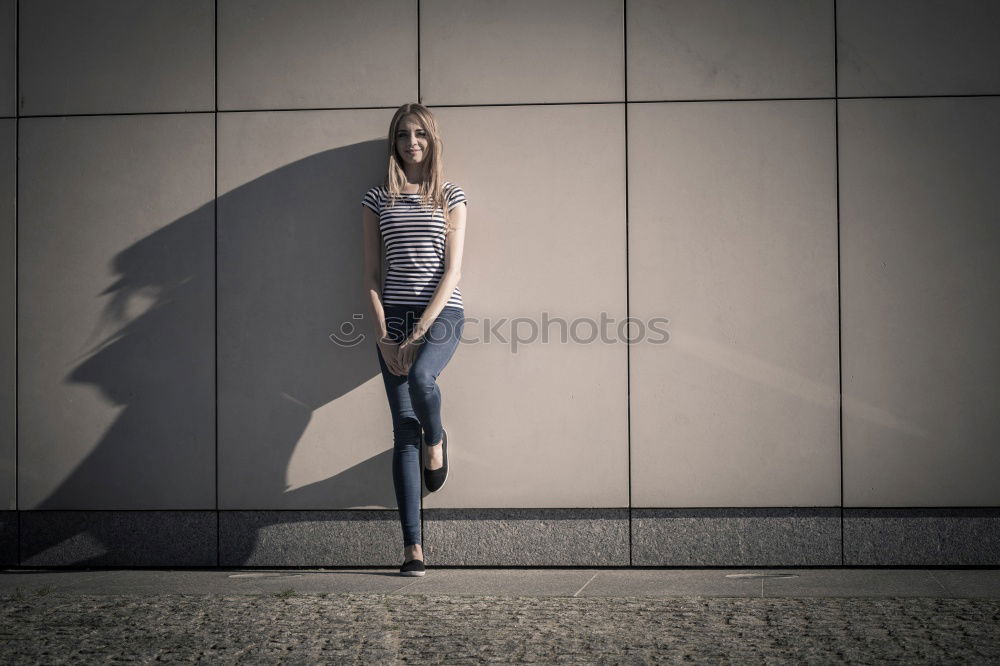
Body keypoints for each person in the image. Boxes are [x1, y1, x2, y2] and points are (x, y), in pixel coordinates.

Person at [361, 102, 468, 577]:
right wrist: (386, 336)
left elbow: (453, 271)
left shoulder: (450, 195)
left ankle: (438, 439)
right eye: (403, 135)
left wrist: (418, 332)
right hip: (394, 318)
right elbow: (370, 273)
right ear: (394, 142)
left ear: (432, 140)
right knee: (403, 429)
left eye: (420, 134)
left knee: (423, 378)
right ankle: (413, 548)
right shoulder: (376, 198)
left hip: (442, 314)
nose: (412, 143)